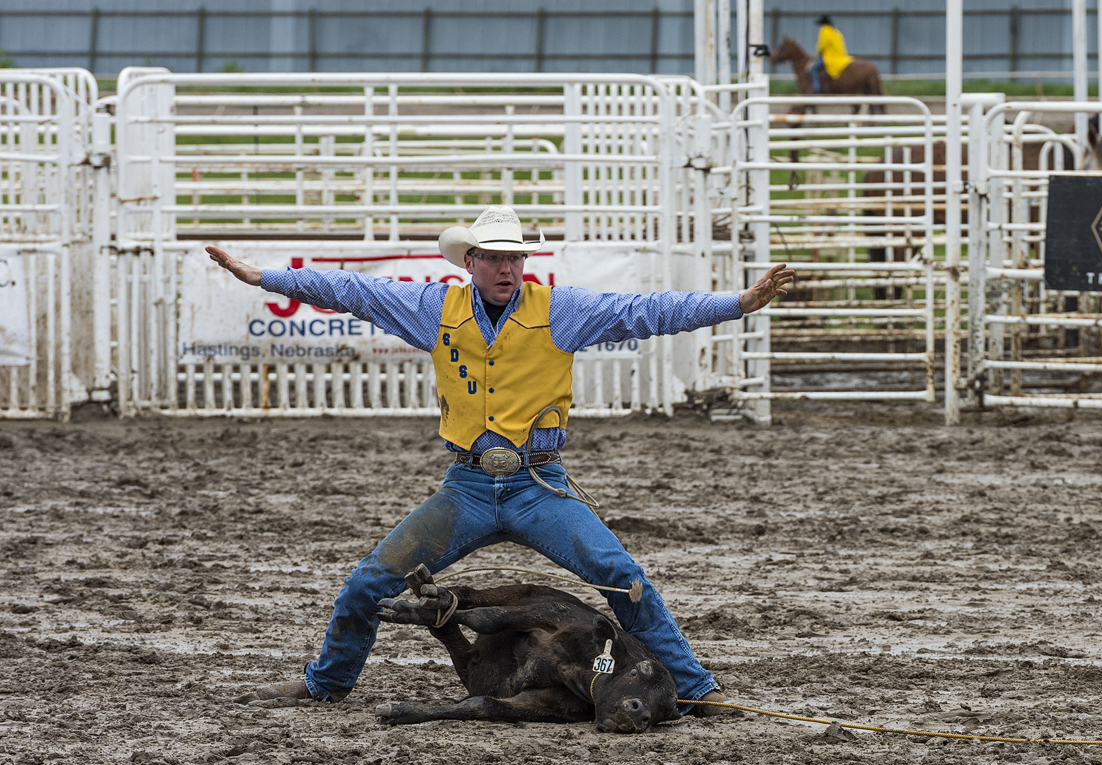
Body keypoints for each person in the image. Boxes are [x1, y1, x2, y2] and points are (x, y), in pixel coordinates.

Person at [205, 206, 794, 717]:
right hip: (466, 487)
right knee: (369, 581)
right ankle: (328, 683)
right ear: (470, 262)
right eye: (493, 258)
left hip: (538, 485)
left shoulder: (559, 310)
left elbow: (646, 310)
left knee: (623, 578)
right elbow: (352, 292)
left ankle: (692, 687)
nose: (507, 268)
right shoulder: (434, 308)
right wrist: (263, 277)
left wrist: (737, 304)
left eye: (514, 257)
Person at [815, 15, 853, 94]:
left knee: (813, 69)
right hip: (842, 57)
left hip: (829, 57)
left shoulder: (824, 30)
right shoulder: (836, 32)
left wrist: (817, 52)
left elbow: (822, 45)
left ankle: (817, 88)